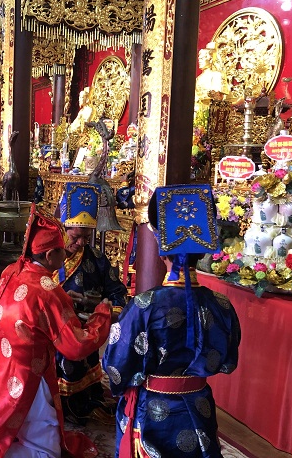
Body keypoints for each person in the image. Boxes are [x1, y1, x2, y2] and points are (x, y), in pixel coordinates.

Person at [0, 204, 113, 457]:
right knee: (47, 451)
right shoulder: (49, 290)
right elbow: (76, 346)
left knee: (1, 419)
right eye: (62, 251)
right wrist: (102, 315)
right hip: (29, 374)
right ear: (49, 255)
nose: (66, 256)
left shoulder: (11, 271)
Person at [102, 184, 241, 458]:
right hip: (200, 406)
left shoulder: (144, 305)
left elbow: (117, 366)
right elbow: (228, 361)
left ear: (162, 250)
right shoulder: (221, 304)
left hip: (155, 412)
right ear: (201, 253)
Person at [54, 182, 129, 425]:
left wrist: (100, 306)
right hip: (50, 332)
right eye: (75, 237)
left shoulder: (96, 259)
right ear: (62, 228)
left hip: (83, 335)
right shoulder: (47, 256)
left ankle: (79, 403)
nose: (81, 243)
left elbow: (118, 294)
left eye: (87, 237)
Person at [194, 42, 228, 107]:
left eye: (202, 58)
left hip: (212, 108)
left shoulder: (217, 75)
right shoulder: (198, 79)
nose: (200, 61)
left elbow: (219, 97)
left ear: (210, 59)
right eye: (199, 59)